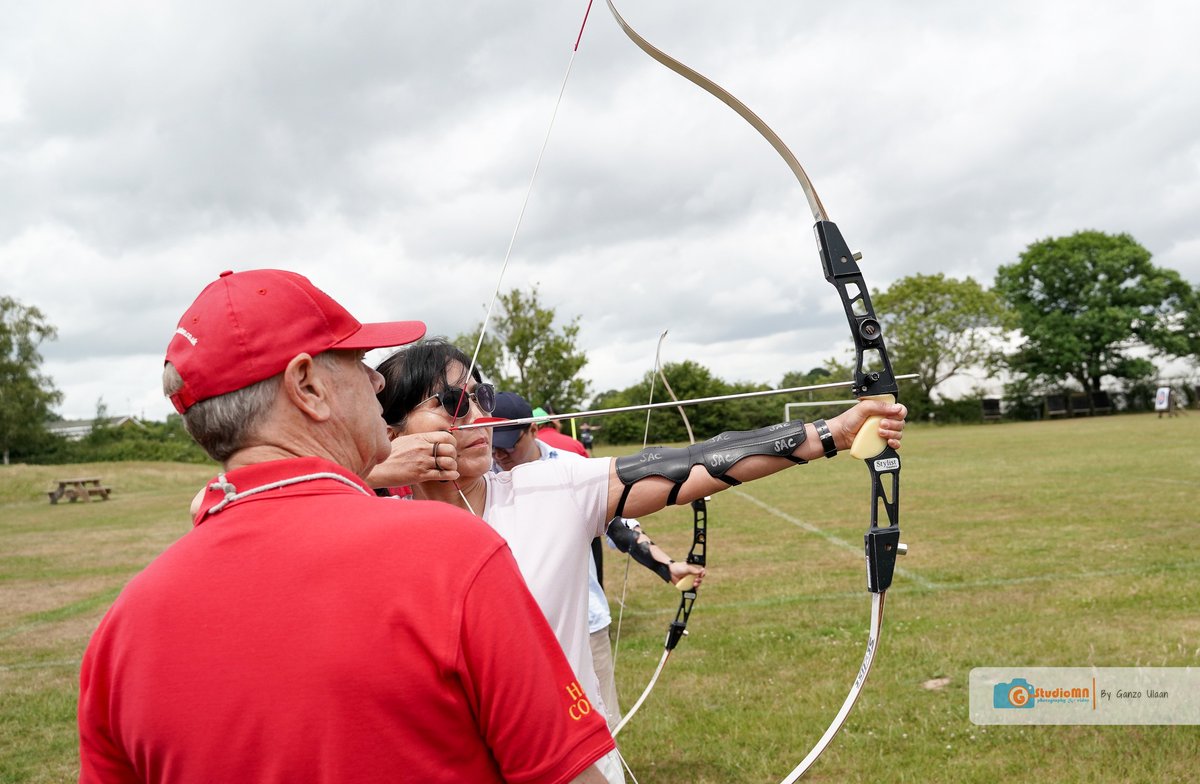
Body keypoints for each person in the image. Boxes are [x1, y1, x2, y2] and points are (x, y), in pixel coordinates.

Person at [78, 270, 613, 784]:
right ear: (307, 386)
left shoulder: (119, 632)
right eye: (357, 360)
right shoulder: (451, 553)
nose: (377, 380)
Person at [368, 340, 907, 758]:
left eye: (479, 398)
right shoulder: (362, 524)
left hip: (569, 755)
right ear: (391, 428)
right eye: (453, 404)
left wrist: (833, 432)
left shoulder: (550, 490)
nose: (478, 417)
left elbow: (694, 463)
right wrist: (369, 467)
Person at [490, 392, 633, 730]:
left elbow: (621, 528)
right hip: (519, 633)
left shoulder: (567, 469)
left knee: (600, 726)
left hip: (584, 623)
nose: (500, 453)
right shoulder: (483, 481)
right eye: (493, 444)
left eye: (509, 443)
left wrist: (665, 565)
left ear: (533, 430)